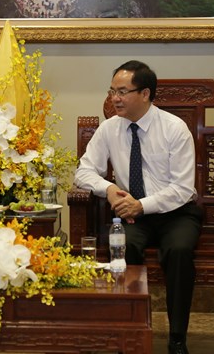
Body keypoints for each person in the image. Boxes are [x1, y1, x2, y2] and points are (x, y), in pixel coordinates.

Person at [74, 60, 202, 354]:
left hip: (176, 214)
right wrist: (109, 189)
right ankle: (127, 332)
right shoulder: (109, 129)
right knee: (122, 249)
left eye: (122, 91)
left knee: (180, 251)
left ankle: (178, 338)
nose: (114, 98)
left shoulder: (174, 128)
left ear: (144, 94)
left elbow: (183, 189)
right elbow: (83, 172)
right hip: (132, 217)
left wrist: (140, 205)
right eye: (111, 91)